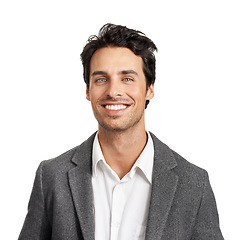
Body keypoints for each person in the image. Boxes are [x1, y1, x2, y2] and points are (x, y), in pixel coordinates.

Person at [18, 23, 224, 240]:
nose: (113, 91)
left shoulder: (193, 184)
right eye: (100, 79)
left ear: (149, 89)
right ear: (88, 91)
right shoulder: (51, 177)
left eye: (127, 78)